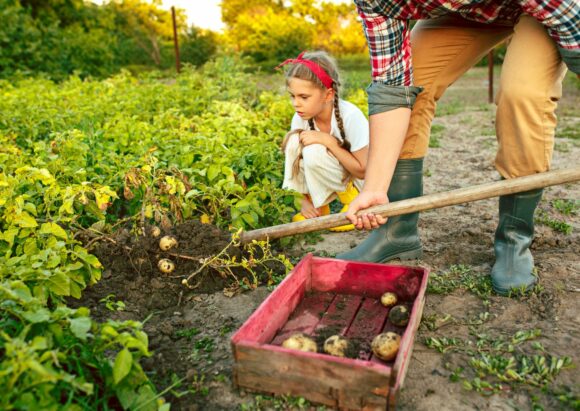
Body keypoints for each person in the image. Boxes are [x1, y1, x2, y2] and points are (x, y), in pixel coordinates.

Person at [339, 0, 579, 295]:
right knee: (414, 84)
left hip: (548, 12)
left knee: (523, 92)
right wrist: (375, 187)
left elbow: (573, 32)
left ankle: (514, 239)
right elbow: (393, 88)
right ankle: (396, 229)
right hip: (470, 11)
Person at [278, 51, 370, 232]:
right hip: (336, 172)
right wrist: (301, 201)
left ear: (328, 95)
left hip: (360, 180)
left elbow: (363, 171)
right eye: (292, 96)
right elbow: (293, 160)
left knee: (313, 150)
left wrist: (329, 141)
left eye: (303, 97)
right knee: (294, 142)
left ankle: (352, 201)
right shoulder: (301, 117)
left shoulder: (350, 116)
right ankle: (315, 205)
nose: (296, 103)